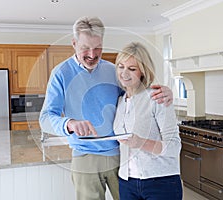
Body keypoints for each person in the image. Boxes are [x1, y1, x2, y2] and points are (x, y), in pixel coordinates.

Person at [39, 16, 173, 200]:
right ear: (74, 43)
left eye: (98, 48)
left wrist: (165, 92)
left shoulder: (114, 71)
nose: (92, 55)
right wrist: (69, 123)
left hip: (121, 155)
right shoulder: (61, 73)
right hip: (85, 157)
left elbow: (135, 95)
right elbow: (45, 118)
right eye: (85, 48)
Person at [113, 42, 182, 200]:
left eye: (132, 69)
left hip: (161, 182)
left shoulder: (157, 97)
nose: (124, 73)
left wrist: (141, 143)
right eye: (120, 66)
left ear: (143, 72)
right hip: (127, 183)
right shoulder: (120, 102)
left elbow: (174, 147)